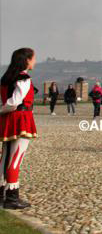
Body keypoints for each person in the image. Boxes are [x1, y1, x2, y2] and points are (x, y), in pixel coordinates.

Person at [0, 48, 38, 209]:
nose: (35, 61)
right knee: (15, 158)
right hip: (20, 118)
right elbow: (14, 102)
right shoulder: (24, 78)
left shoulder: (6, 78)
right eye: (33, 58)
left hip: (8, 119)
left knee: (5, 157)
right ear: (27, 60)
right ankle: (12, 198)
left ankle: (1, 192)